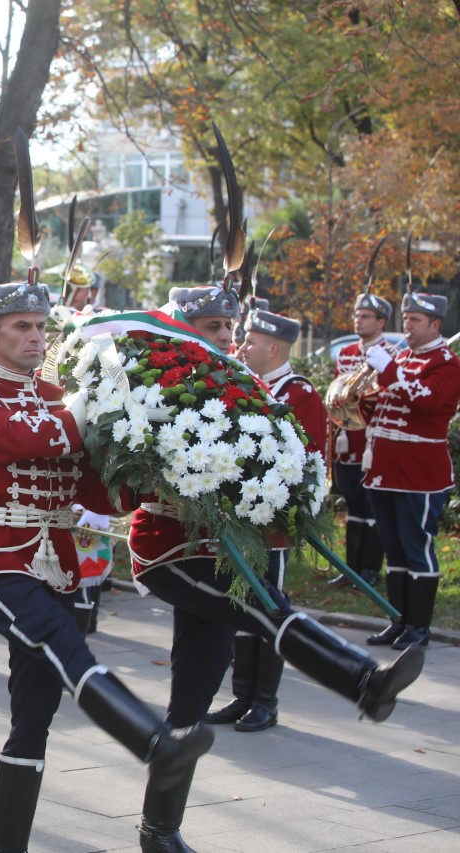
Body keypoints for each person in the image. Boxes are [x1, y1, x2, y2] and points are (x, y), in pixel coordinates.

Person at [127, 284, 425, 852]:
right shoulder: (155, 377)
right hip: (169, 547)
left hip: (224, 547)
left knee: (190, 700)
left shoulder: (236, 384)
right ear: (182, 327)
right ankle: (363, 681)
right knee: (265, 608)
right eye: (212, 327)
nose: (224, 338)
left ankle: (158, 830)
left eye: (227, 328)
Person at [0, 281, 213, 853]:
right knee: (62, 641)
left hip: (56, 561)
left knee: (35, 710)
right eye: (21, 327)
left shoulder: (60, 395)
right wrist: (94, 409)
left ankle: (3, 843)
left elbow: (98, 493)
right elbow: (21, 441)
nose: (35, 338)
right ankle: (150, 742)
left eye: (41, 327)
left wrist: (150, 462)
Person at [205, 308, 328, 733]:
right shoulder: (247, 385)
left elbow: (306, 461)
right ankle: (241, 695)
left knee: (268, 609)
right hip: (238, 520)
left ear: (273, 348)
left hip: (270, 522)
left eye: (251, 341)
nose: (241, 346)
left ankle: (265, 701)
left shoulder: (299, 393)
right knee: (240, 607)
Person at [362, 291, 460, 650]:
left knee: (417, 548)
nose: (408, 326)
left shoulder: (447, 363)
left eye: (416, 320)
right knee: (395, 551)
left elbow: (427, 400)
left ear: (436, 325)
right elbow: (385, 406)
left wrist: (388, 371)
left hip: (419, 474)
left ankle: (419, 627)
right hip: (386, 470)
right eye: (406, 319)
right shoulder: (404, 356)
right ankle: (398, 620)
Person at [329, 293, 395, 588]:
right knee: (353, 503)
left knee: (371, 506)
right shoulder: (345, 354)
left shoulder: (389, 353)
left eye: (366, 315)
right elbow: (337, 393)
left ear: (381, 322)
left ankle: (370, 569)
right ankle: (352, 568)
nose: (359, 319)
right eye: (357, 314)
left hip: (372, 440)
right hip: (348, 438)